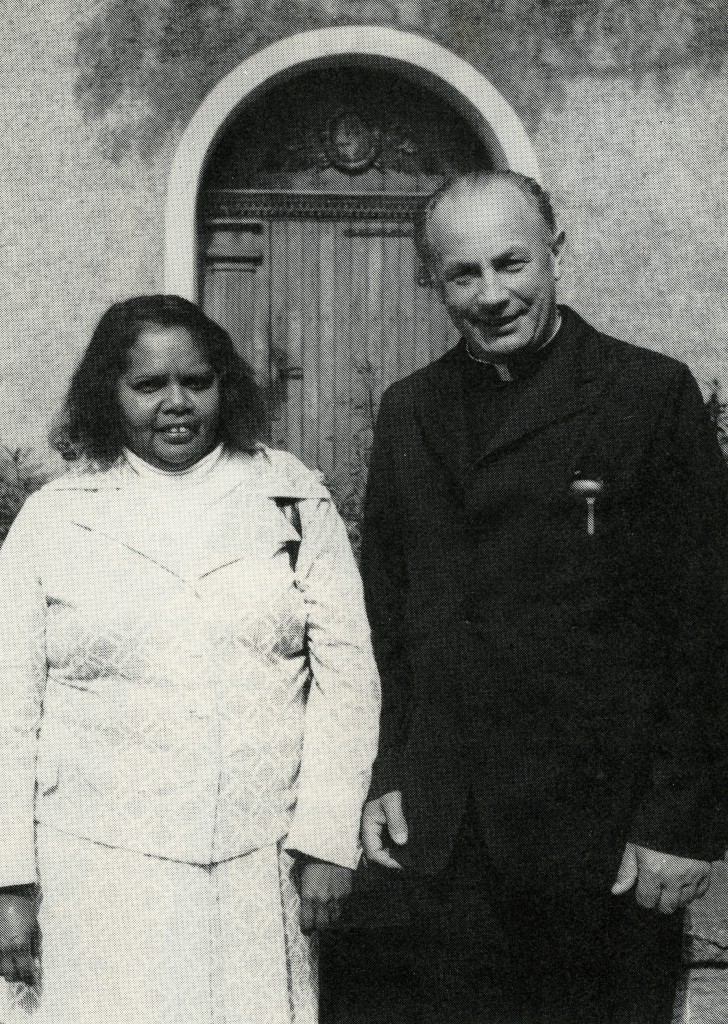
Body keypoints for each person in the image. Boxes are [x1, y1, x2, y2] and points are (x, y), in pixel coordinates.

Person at [359, 171, 728, 1023]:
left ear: (555, 254)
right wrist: (389, 771)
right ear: (433, 281)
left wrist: (680, 821)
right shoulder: (409, 410)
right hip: (449, 843)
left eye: (511, 263)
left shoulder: (648, 395)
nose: (492, 294)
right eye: (463, 274)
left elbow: (707, 626)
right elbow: (393, 621)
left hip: (604, 848)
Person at [0, 295, 380, 1024]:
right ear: (108, 395)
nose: (176, 403)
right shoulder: (57, 517)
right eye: (148, 386)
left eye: (197, 381)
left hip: (256, 871)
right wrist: (9, 882)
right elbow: (8, 709)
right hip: (96, 875)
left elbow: (347, 683)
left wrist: (327, 838)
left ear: (224, 386)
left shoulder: (290, 498)